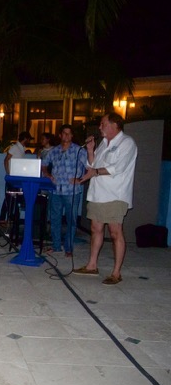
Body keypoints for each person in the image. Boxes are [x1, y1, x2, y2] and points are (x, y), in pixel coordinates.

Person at [74, 113, 137, 285]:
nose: (100, 127)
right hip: (97, 194)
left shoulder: (127, 143)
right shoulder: (103, 144)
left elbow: (118, 168)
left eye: (103, 124)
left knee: (115, 232)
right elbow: (93, 166)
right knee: (95, 228)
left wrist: (94, 172)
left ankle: (116, 273)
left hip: (115, 194)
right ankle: (92, 265)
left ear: (114, 124)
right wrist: (90, 150)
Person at [41, 124, 87, 257]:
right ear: (60, 135)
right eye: (64, 133)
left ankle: (68, 248)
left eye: (69, 133)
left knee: (71, 220)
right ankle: (56, 246)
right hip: (56, 190)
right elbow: (43, 164)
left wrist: (80, 179)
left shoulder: (79, 151)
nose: (66, 136)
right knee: (55, 219)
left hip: (72, 191)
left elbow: (90, 166)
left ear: (72, 135)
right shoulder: (54, 151)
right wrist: (48, 175)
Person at [0, 131, 33, 222]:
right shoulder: (15, 147)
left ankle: (9, 216)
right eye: (28, 139)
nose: (29, 141)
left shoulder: (22, 149)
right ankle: (3, 217)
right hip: (12, 177)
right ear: (25, 138)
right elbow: (6, 160)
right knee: (9, 197)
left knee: (13, 198)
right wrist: (8, 173)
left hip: (17, 177)